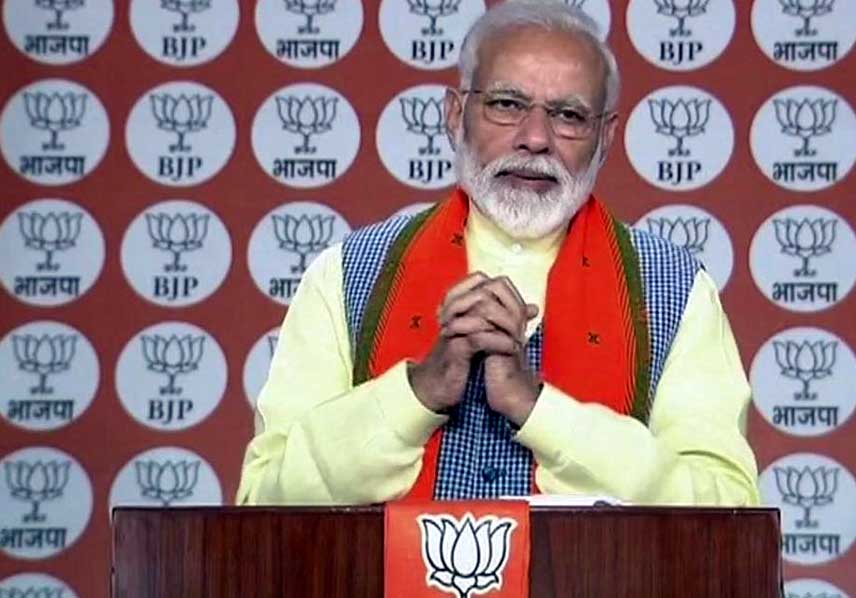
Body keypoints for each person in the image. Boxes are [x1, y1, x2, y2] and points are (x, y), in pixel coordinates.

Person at [237, 0, 760, 506]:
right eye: (507, 105)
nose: (535, 139)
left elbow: (727, 511)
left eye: (568, 115)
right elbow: (264, 501)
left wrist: (538, 409)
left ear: (605, 137)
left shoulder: (672, 288)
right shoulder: (349, 274)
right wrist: (418, 392)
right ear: (455, 114)